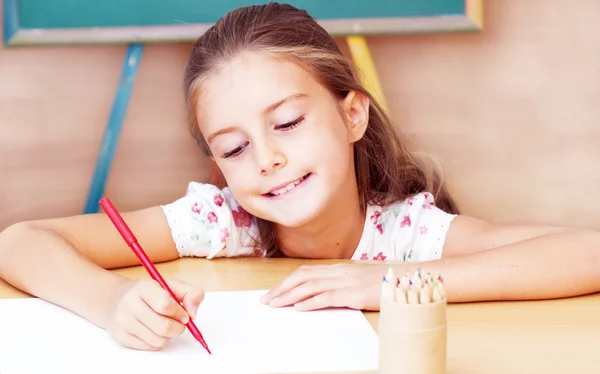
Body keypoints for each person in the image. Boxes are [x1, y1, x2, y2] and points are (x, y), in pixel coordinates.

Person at [0, 3, 599, 352]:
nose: (265, 161)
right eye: (234, 149)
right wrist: (109, 301)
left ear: (352, 113)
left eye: (287, 122)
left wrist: (387, 281)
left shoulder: (405, 231)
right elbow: (18, 242)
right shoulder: (223, 221)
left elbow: (588, 253)